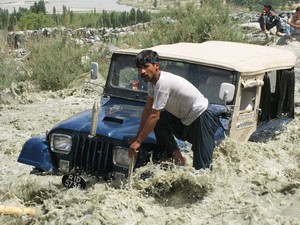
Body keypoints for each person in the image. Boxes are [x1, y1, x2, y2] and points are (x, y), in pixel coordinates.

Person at [128, 50, 220, 170]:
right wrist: (137, 137)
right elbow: (147, 110)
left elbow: (154, 115)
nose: (142, 71)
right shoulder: (152, 84)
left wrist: (138, 142)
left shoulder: (163, 84)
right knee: (160, 121)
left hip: (202, 117)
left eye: (146, 67)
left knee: (202, 168)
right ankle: (178, 158)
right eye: (139, 68)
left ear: (157, 66)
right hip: (185, 119)